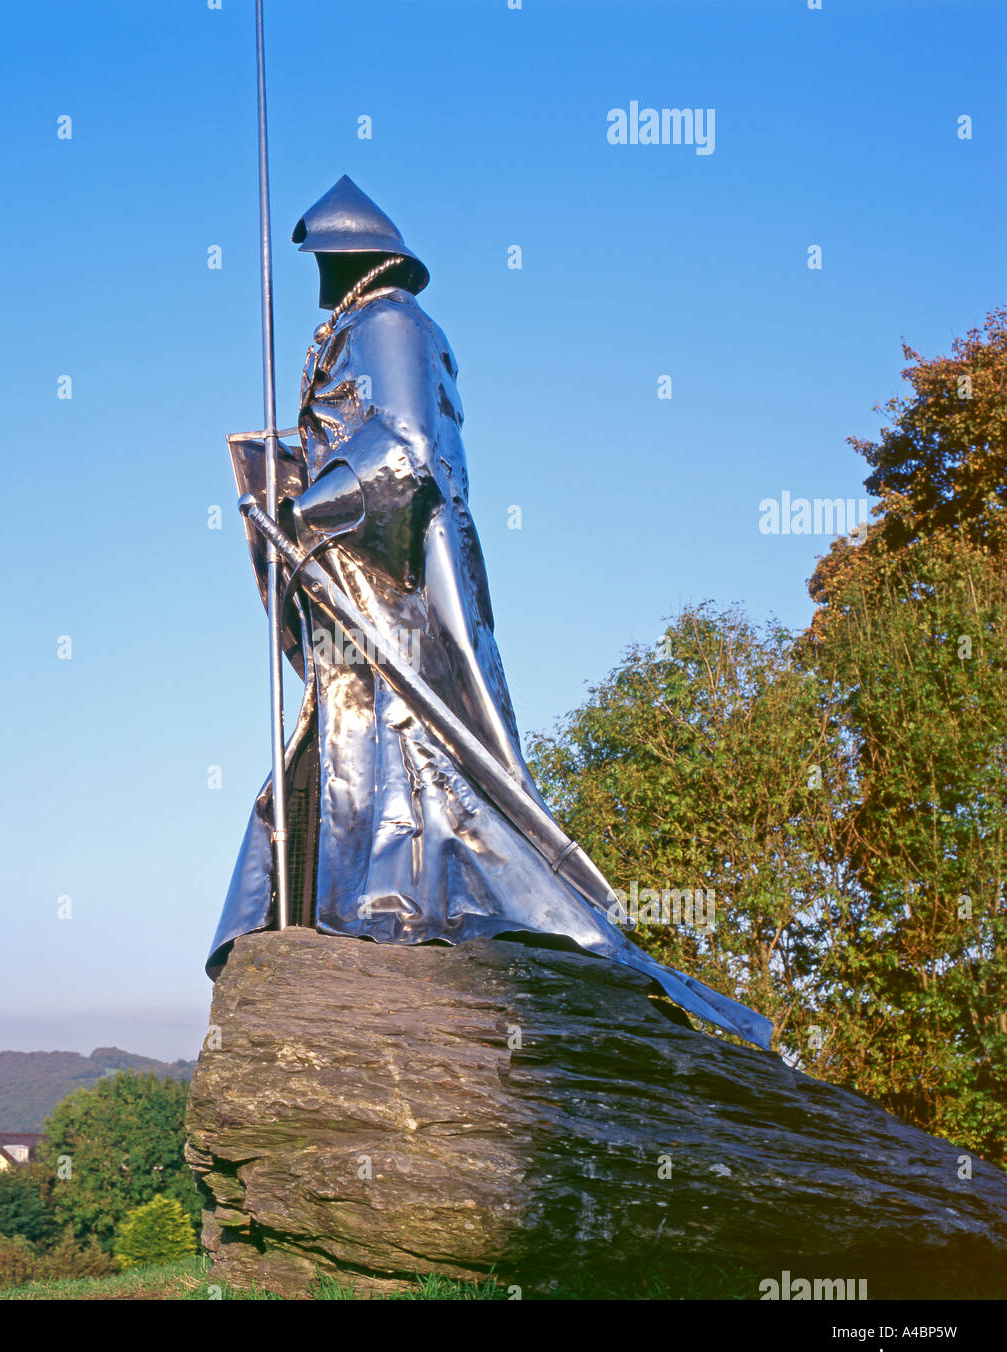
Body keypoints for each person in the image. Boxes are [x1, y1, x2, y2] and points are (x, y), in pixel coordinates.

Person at [209, 176, 772, 1050]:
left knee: (408, 727)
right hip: (352, 585)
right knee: (353, 733)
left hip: (388, 583)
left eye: (321, 264)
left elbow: (405, 450)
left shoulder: (388, 323)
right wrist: (279, 482)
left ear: (346, 258)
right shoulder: (360, 328)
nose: (316, 281)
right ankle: (349, 899)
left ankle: (398, 901)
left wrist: (308, 508)